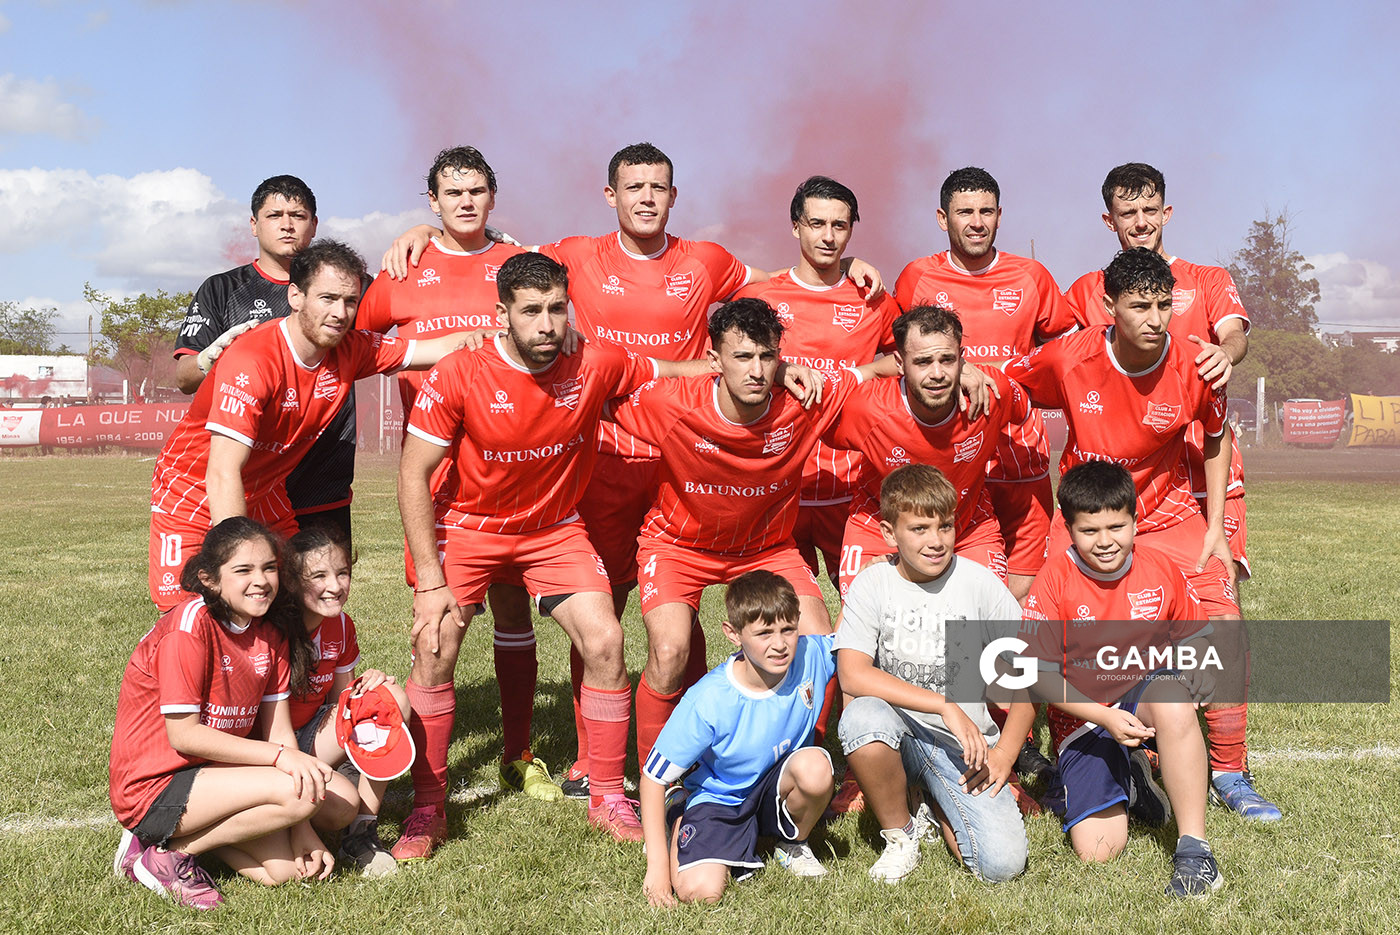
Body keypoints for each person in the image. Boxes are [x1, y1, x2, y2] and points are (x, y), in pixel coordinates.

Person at [383, 144, 885, 798]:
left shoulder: (705, 260)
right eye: (634, 186)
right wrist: (432, 233)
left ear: (673, 196)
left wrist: (844, 271)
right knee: (608, 610)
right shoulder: (575, 255)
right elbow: (510, 263)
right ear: (610, 195)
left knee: (689, 628)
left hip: (695, 451)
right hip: (613, 458)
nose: (646, 196)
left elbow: (777, 283)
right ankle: (595, 758)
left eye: (658, 186)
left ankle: (712, 742)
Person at [394, 252, 746, 856]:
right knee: (435, 644)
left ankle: (608, 792)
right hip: (472, 528)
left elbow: (668, 371)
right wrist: (431, 579)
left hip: (553, 530)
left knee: (607, 642)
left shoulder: (595, 362)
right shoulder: (457, 373)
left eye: (558, 308)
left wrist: (740, 370)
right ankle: (428, 806)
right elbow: (411, 474)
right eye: (531, 311)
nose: (547, 323)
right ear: (501, 314)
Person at [1006, 246, 1280, 820]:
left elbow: (1215, 434)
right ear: (1108, 307)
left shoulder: (1195, 363)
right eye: (1140, 307)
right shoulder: (1068, 357)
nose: (1156, 319)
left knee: (1224, 623)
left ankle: (1230, 769)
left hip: (1170, 516)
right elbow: (1010, 386)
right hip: (1088, 518)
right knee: (1041, 634)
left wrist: (1215, 529)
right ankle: (1071, 753)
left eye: (1163, 305)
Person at [607, 297, 890, 764]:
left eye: (767, 357)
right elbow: (597, 391)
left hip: (765, 549)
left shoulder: (804, 400)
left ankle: (797, 764)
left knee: (820, 647)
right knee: (670, 650)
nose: (757, 371)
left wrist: (969, 371)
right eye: (743, 358)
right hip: (679, 545)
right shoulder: (670, 403)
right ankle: (658, 777)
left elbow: (878, 368)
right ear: (714, 361)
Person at [354, 146, 553, 801]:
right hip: (437, 481)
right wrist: (414, 354)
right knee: (436, 624)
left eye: (477, 191)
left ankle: (519, 752)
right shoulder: (404, 269)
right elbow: (356, 343)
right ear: (432, 202)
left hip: (515, 477)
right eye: (453, 193)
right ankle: (421, 771)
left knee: (512, 607)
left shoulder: (517, 264)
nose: (466, 202)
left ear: (492, 197)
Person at [147, 240, 469, 612]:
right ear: (296, 296)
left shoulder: (352, 348)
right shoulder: (253, 359)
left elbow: (435, 349)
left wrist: (506, 335)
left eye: (350, 301)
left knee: (303, 601)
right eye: (328, 298)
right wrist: (246, 563)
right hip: (193, 489)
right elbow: (221, 472)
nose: (340, 312)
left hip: (264, 490)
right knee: (193, 615)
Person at [110, 517, 356, 910]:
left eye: (269, 568)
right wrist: (283, 761)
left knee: (287, 870)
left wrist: (303, 831)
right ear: (209, 578)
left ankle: (171, 844)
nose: (260, 580)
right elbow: (184, 737)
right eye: (243, 570)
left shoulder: (270, 631)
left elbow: (279, 732)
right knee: (299, 792)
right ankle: (164, 853)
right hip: (154, 784)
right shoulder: (189, 628)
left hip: (213, 773)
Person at [1021, 460, 1223, 897]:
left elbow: (1198, 635)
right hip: (1084, 716)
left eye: (1117, 526)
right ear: (1069, 530)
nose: (1106, 541)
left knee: (1172, 696)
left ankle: (1196, 851)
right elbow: (1037, 676)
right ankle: (1133, 780)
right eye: (1089, 531)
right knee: (1098, 851)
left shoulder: (1160, 568)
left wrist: (1202, 666)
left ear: (1135, 519)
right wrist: (1103, 717)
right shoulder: (1054, 578)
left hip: (1144, 695)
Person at [835, 464, 1030, 885]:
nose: (936, 541)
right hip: (896, 731)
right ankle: (900, 833)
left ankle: (934, 800)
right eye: (920, 529)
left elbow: (1029, 678)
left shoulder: (978, 583)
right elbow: (852, 675)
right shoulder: (873, 584)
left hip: (962, 746)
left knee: (1000, 866)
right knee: (861, 716)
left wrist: (1006, 755)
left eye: (945, 526)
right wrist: (944, 704)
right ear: (890, 533)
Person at [1062, 162, 1253, 583]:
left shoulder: (1207, 279)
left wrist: (1225, 353)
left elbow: (1234, 334)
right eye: (1128, 214)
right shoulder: (1087, 290)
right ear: (1109, 220)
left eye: (1151, 209)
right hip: (1134, 483)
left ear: (1166, 213)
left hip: (1206, 467)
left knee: (1216, 582)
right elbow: (1049, 355)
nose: (1141, 222)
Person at [894, 167, 1078, 602]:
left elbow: (1065, 353)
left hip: (1018, 447)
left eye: (986, 211)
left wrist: (1019, 382)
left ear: (1000, 216)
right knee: (939, 577)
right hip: (948, 449)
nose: (977, 222)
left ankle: (999, 662)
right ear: (943, 219)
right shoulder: (917, 277)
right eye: (965, 212)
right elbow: (893, 358)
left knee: (1023, 582)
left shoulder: (1031, 275)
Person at [736, 175, 902, 584]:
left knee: (870, 605)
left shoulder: (873, 298)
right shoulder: (761, 298)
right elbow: (724, 368)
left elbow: (908, 361)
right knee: (781, 616)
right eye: (816, 224)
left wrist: (863, 374)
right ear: (795, 226)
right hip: (778, 481)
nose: (828, 237)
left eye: (839, 226)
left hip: (851, 484)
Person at [172, 176, 356, 539]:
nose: (287, 224)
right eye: (275, 215)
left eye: (298, 215)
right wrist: (212, 357)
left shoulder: (347, 287)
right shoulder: (223, 289)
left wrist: (428, 231)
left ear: (314, 225)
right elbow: (184, 378)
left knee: (324, 593)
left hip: (322, 484)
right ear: (254, 225)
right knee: (247, 586)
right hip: (245, 486)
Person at [639, 571, 836, 905]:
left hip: (776, 787)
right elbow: (652, 778)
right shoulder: (708, 700)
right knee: (700, 893)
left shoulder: (812, 653)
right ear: (733, 634)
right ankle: (680, 812)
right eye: (764, 633)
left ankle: (792, 844)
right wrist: (656, 869)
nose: (780, 644)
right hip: (722, 799)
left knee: (816, 767)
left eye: (788, 629)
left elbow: (857, 638)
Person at [284, 525, 410, 878]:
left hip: (312, 734)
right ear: (292, 581)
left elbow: (342, 702)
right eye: (320, 575)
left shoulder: (340, 624)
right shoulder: (275, 630)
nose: (335, 586)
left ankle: (361, 834)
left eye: (342, 573)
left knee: (389, 700)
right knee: (340, 806)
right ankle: (289, 819)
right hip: (273, 747)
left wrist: (366, 689)